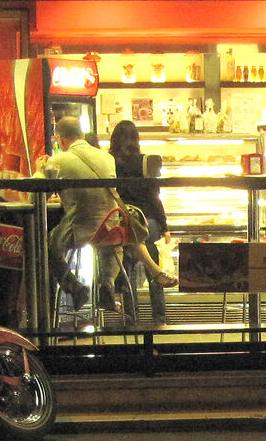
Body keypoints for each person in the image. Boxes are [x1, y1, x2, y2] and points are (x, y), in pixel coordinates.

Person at [34, 116, 176, 314]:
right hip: (112, 228)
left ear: (60, 139)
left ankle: (75, 287)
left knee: (45, 246)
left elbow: (34, 194)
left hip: (81, 230)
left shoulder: (58, 160)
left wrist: (39, 169)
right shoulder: (106, 158)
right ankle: (107, 284)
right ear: (83, 135)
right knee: (113, 244)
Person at [110, 119, 172, 325]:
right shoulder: (146, 162)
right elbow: (154, 196)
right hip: (148, 220)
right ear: (136, 139)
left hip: (122, 222)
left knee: (128, 266)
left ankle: (132, 317)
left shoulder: (110, 162)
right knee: (151, 255)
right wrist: (164, 226)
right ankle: (159, 317)